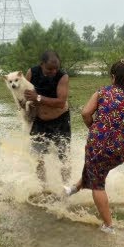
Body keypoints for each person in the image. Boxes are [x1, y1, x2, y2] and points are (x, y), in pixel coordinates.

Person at [63, 58, 124, 234]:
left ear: (113, 76)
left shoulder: (103, 93)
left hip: (98, 143)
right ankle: (73, 189)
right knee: (96, 169)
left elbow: (86, 113)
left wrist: (93, 127)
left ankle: (108, 225)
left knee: (98, 183)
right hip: (122, 150)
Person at [24, 51, 71, 185]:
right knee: (38, 157)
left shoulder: (63, 77)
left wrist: (37, 98)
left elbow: (61, 102)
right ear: (42, 65)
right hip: (39, 121)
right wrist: (24, 106)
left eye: (56, 68)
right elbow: (24, 94)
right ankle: (43, 188)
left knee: (64, 156)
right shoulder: (32, 73)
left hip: (60, 120)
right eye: (50, 69)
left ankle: (66, 188)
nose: (53, 71)